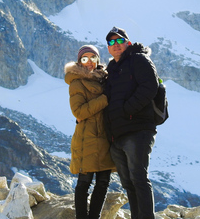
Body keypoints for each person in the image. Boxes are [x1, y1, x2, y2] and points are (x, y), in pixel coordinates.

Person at [103, 26, 159, 219]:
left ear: (127, 42)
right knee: (128, 182)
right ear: (108, 48)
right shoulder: (111, 68)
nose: (116, 45)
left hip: (138, 129)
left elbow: (151, 86)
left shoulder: (139, 59)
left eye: (119, 41)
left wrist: (127, 110)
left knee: (139, 178)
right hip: (117, 135)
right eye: (111, 42)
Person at [64, 45, 116, 219]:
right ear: (79, 62)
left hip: (106, 138)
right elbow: (79, 112)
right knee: (84, 183)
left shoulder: (105, 79)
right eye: (84, 59)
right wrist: (104, 99)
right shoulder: (77, 82)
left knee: (103, 183)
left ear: (97, 60)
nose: (89, 63)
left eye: (92, 58)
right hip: (87, 138)